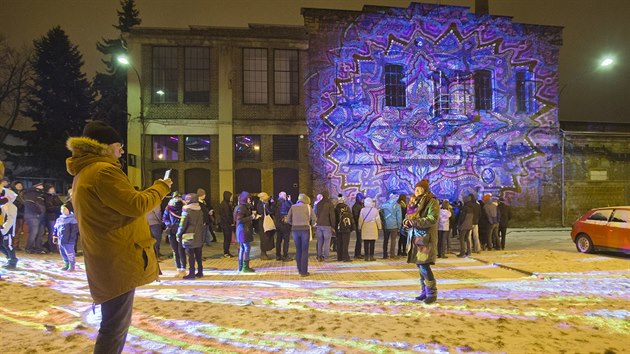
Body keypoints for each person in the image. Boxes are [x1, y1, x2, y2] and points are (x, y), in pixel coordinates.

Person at [66, 120, 171, 354]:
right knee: (114, 326)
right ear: (104, 147)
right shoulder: (103, 171)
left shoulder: (86, 172)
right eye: (118, 145)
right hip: (117, 257)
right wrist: (161, 187)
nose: (122, 151)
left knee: (114, 323)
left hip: (108, 254)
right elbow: (137, 205)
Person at [403, 179, 439, 304]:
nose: (416, 191)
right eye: (415, 189)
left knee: (424, 266)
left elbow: (432, 219)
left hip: (425, 239)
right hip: (415, 238)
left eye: (419, 189)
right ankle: (424, 291)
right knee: (420, 266)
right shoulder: (413, 202)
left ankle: (432, 293)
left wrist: (414, 222)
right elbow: (408, 217)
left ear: (425, 190)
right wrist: (406, 223)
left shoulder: (431, 202)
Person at [177, 193, 205, 279]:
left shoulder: (186, 210)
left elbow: (182, 224)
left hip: (189, 235)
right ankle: (200, 272)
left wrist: (178, 234)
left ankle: (191, 273)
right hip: (199, 235)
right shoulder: (200, 210)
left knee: (190, 255)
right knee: (198, 254)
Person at [287, 193, 316, 277]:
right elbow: (314, 218)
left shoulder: (293, 207)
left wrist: (294, 223)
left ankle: (299, 269)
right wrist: (312, 224)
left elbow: (288, 220)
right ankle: (304, 271)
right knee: (304, 250)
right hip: (305, 230)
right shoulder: (308, 207)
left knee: (298, 250)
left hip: (295, 230)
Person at [234, 191, 255, 273]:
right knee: (246, 248)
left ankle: (241, 267)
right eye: (249, 198)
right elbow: (239, 219)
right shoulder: (242, 208)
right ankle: (245, 267)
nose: (250, 200)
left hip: (241, 230)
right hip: (243, 230)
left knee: (242, 248)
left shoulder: (241, 207)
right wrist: (251, 217)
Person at [163, 193, 185, 271]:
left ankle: (183, 266)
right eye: (175, 197)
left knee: (181, 249)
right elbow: (165, 218)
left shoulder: (184, 207)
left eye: (178, 197)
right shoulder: (168, 208)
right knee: (175, 250)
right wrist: (168, 224)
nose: (177, 199)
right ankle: (178, 266)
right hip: (172, 231)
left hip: (181, 231)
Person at [52, 205, 78, 271]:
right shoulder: (59, 219)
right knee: (62, 253)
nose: (63, 211)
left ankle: (72, 265)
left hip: (68, 240)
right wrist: (55, 236)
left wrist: (71, 239)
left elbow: (74, 231)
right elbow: (55, 228)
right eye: (62, 209)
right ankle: (66, 264)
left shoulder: (72, 219)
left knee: (69, 253)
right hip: (61, 240)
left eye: (65, 209)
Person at [23, 182, 46, 254]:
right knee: (34, 232)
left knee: (40, 233)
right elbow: (29, 204)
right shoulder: (31, 193)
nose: (42, 187)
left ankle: (38, 248)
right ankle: (28, 248)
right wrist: (38, 212)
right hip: (33, 216)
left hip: (40, 216)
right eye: (40, 185)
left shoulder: (40, 194)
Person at [358, 197, 381, 261]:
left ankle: (366, 256)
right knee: (372, 243)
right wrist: (379, 227)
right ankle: (371, 256)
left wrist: (359, 227)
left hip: (365, 227)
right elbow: (378, 219)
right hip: (373, 227)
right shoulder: (375, 210)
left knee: (366, 242)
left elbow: (360, 219)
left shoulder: (362, 210)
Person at [314, 191, 335, 262]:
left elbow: (316, 214)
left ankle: (319, 256)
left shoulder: (318, 204)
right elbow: (332, 216)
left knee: (320, 241)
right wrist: (333, 225)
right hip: (327, 225)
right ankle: (326, 257)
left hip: (319, 225)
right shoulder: (330, 204)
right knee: (327, 242)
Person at [0, 188, 18, 269]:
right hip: (2, 228)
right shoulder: (3, 206)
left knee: (8, 245)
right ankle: (9, 258)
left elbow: (11, 219)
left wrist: (4, 229)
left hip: (8, 230)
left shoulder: (11, 207)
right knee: (2, 245)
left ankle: (12, 261)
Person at [380, 192, 402, 259]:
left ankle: (385, 254)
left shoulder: (383, 205)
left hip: (386, 225)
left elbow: (381, 214)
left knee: (385, 240)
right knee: (393, 240)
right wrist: (399, 226)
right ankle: (392, 254)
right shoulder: (397, 206)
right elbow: (399, 217)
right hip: (394, 225)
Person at [273, 191, 293, 261]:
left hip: (278, 224)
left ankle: (278, 255)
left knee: (279, 240)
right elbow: (292, 207)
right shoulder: (284, 202)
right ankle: (285, 255)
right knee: (286, 240)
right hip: (284, 224)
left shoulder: (276, 203)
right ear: (285, 196)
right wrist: (289, 201)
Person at [334, 194, 354, 262]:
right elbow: (351, 217)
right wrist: (352, 227)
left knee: (339, 242)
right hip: (346, 228)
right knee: (345, 243)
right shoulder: (346, 207)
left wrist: (334, 227)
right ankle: (345, 257)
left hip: (338, 228)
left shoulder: (336, 208)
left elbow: (335, 219)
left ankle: (339, 257)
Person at [43, 184, 63, 253]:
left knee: (56, 233)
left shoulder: (55, 196)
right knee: (52, 232)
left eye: (53, 188)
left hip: (57, 216)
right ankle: (52, 247)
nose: (53, 190)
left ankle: (53, 246)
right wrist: (59, 208)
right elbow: (49, 207)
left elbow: (61, 204)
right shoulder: (46, 197)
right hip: (50, 217)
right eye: (51, 189)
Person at [256, 192, 275, 260]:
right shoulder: (264, 205)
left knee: (264, 238)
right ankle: (263, 254)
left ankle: (263, 253)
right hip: (264, 223)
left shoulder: (259, 204)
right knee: (265, 238)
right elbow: (271, 212)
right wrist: (271, 204)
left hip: (262, 222)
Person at [218, 191, 235, 258]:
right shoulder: (225, 205)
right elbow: (227, 215)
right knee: (227, 238)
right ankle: (226, 252)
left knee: (227, 238)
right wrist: (231, 223)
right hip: (226, 224)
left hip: (225, 224)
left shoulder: (224, 203)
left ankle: (226, 252)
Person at [10, 181, 25, 251]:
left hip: (21, 214)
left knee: (18, 230)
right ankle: (11, 244)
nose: (19, 186)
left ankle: (16, 245)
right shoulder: (12, 193)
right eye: (18, 185)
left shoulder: (23, 194)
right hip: (13, 214)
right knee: (13, 230)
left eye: (20, 185)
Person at [352, 192, 365, 259]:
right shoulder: (356, 206)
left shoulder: (360, 205)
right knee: (359, 240)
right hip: (358, 225)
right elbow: (356, 216)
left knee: (360, 240)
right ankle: (357, 254)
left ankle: (358, 253)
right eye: (362, 198)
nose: (363, 200)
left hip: (360, 224)